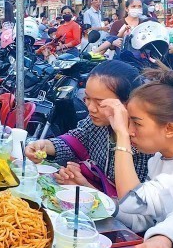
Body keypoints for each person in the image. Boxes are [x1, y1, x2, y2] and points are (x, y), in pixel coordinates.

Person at [102, 68, 173, 233]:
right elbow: (145, 218)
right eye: (128, 122)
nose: (130, 131)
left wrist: (121, 135)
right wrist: (100, 202)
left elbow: (133, 201)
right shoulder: (159, 158)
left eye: (136, 123)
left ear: (170, 129)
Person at [25, 61, 151, 189]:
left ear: (127, 102)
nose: (91, 108)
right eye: (87, 98)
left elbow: (133, 201)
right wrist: (44, 146)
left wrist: (85, 185)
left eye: (100, 103)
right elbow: (77, 138)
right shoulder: (98, 122)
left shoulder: (144, 144)